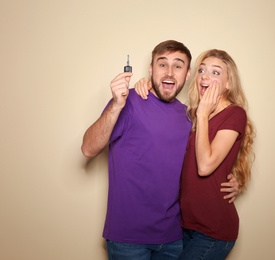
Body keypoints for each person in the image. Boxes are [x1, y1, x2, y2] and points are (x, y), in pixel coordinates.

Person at [81, 40, 239, 260]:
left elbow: (205, 161)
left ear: (188, 74)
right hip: (128, 238)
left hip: (175, 238)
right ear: (151, 69)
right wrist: (116, 105)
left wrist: (232, 179)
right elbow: (88, 149)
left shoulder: (191, 117)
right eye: (162, 64)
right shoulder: (129, 102)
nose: (170, 72)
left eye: (178, 66)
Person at [135, 49, 255, 259]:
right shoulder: (190, 114)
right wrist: (146, 84)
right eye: (201, 70)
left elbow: (205, 165)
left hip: (213, 231)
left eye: (216, 72)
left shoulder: (234, 114)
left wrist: (202, 115)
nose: (205, 76)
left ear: (228, 83)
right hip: (185, 226)